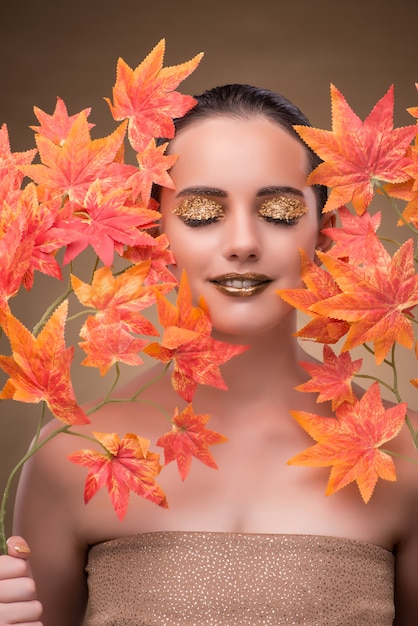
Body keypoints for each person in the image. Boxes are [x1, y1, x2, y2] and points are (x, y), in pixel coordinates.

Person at [0, 84, 417, 626]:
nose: (243, 241)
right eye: (201, 212)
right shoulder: (67, 456)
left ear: (327, 232)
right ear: (152, 233)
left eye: (280, 211)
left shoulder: (399, 459)